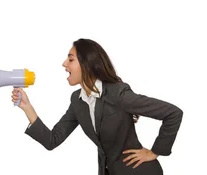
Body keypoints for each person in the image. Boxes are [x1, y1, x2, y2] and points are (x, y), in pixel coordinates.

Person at [12, 38, 183, 175]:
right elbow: (52, 140)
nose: (64, 64)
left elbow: (173, 113)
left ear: (87, 64)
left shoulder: (118, 94)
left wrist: (155, 151)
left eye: (70, 59)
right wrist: (27, 107)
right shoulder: (78, 100)